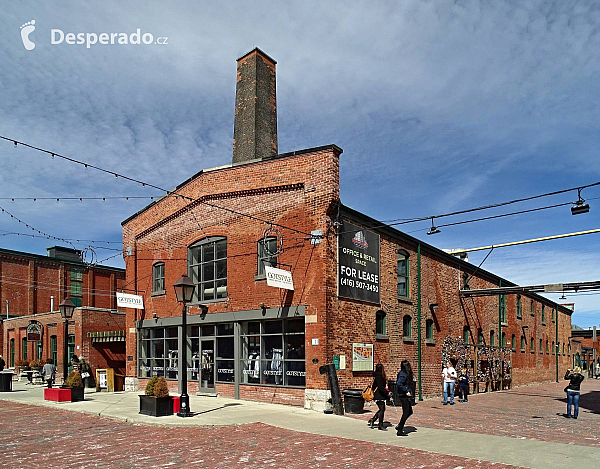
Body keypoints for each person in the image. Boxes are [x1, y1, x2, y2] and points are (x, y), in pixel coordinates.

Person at [367, 363, 390, 430]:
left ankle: (373, 420)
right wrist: (387, 392)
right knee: (382, 409)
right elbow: (380, 387)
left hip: (378, 394)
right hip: (379, 395)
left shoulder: (377, 376)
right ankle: (380, 424)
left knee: (381, 409)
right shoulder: (380, 376)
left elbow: (374, 386)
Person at [395, 360, 414, 436]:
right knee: (406, 412)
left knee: (409, 411)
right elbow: (399, 383)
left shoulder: (404, 374)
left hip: (404, 395)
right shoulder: (403, 374)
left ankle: (400, 425)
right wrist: (406, 391)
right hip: (403, 395)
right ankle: (400, 429)